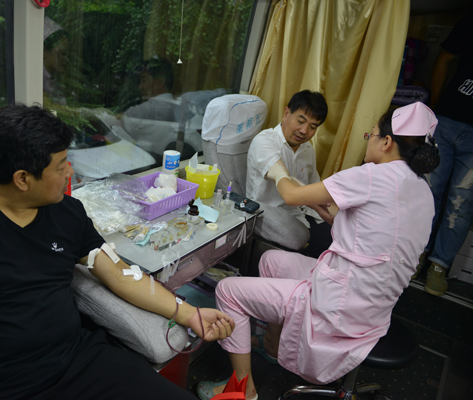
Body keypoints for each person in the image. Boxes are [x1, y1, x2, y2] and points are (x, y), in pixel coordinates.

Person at [0, 104, 235, 400]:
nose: (69, 172)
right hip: (0, 386)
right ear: (22, 178)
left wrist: (188, 312)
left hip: (80, 362)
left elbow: (118, 273)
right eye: (61, 166)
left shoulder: (66, 213)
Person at [197, 102, 440, 400]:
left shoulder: (371, 176)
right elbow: (377, 236)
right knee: (271, 260)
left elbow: (290, 195)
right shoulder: (423, 191)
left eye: (371, 135)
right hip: (373, 301)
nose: (369, 140)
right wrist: (330, 215)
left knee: (228, 291)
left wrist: (278, 171)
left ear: (387, 142)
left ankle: (242, 390)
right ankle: (272, 347)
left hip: (341, 303)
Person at [414, 13, 473, 296]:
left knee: (461, 201)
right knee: (428, 191)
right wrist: (437, 101)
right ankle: (416, 252)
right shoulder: (470, 22)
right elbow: (443, 59)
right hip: (447, 120)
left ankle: (439, 265)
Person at [246, 90, 333, 257]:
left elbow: (313, 186)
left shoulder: (307, 149)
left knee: (340, 237)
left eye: (313, 127)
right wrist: (316, 206)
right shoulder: (265, 141)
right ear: (286, 114)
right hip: (270, 213)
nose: (304, 131)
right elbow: (283, 178)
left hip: (300, 213)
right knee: (327, 249)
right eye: (300, 121)